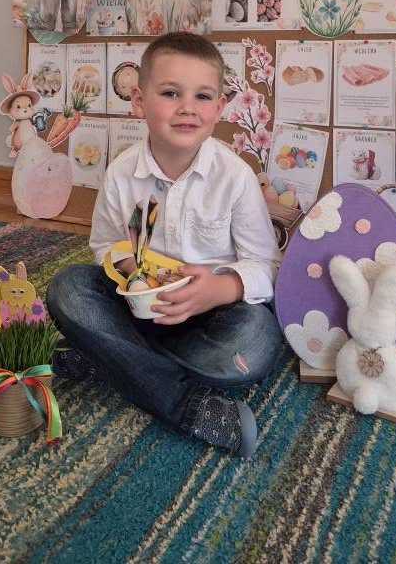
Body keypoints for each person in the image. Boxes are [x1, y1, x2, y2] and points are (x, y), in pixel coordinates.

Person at [47, 32, 282, 457]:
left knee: (255, 344)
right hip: (140, 309)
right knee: (68, 288)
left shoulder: (235, 177)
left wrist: (218, 288)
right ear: (138, 101)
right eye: (171, 93)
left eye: (202, 96)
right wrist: (131, 271)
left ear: (219, 108)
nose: (187, 107)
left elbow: (268, 265)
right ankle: (183, 404)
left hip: (211, 319)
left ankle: (110, 357)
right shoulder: (121, 174)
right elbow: (105, 245)